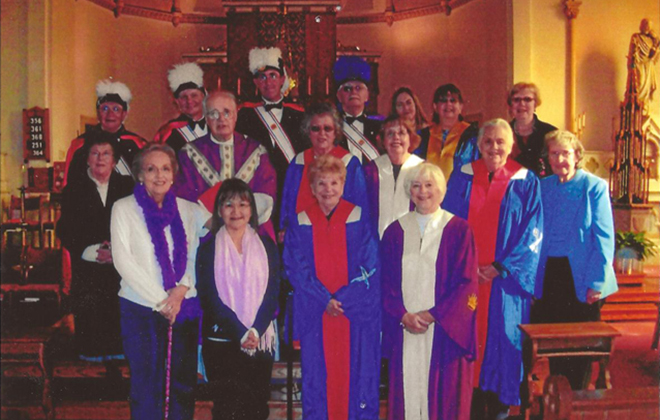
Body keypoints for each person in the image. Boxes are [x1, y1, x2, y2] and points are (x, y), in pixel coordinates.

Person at [442, 118, 543, 419]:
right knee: (467, 342)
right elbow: (447, 224)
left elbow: (533, 232)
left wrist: (501, 267)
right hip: (467, 279)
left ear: (511, 146)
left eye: (501, 141)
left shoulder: (525, 181)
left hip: (504, 283)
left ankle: (499, 410)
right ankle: (467, 407)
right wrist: (465, 266)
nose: (494, 147)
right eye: (488, 141)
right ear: (479, 145)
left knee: (503, 340)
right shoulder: (462, 177)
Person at [111, 143, 210, 420]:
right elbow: (123, 260)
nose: (159, 175)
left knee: (182, 383)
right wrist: (162, 301)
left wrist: (181, 290)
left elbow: (196, 254)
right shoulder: (124, 208)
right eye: (151, 169)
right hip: (140, 307)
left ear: (173, 173)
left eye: (165, 168)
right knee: (145, 383)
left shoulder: (189, 210)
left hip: (183, 308)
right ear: (139, 174)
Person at [283, 154, 380, 420]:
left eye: (334, 183)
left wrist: (342, 300)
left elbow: (370, 264)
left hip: (351, 314)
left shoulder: (359, 217)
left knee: (355, 375)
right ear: (312, 189)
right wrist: (324, 299)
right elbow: (295, 267)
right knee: (317, 377)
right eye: (321, 184)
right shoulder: (301, 221)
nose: (328, 190)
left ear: (343, 185)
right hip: (317, 313)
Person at [381, 162, 478, 420]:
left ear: (441, 190)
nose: (422, 191)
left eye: (429, 185)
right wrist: (402, 315)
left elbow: (467, 283)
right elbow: (385, 283)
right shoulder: (395, 231)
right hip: (405, 329)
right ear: (408, 191)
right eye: (416, 185)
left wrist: (434, 315)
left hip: (444, 331)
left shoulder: (459, 230)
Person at [532, 130, 618, 389]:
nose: (560, 159)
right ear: (547, 157)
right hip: (551, 275)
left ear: (578, 156)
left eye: (565, 153)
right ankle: (560, 397)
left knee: (580, 344)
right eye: (554, 153)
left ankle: (578, 399)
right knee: (556, 341)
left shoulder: (594, 186)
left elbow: (604, 238)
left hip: (582, 275)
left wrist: (597, 282)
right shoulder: (542, 186)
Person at [196, 179, 281, 420]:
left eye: (243, 204)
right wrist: (241, 332)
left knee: (256, 407)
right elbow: (209, 297)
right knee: (226, 408)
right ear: (219, 210)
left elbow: (272, 294)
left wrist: (254, 330)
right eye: (229, 204)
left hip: (259, 338)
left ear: (252, 210)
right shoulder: (208, 248)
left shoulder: (267, 247)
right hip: (221, 340)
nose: (236, 212)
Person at [57, 133, 134, 370]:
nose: (100, 158)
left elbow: (136, 225)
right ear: (87, 159)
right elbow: (65, 228)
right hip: (88, 270)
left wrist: (117, 252)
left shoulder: (128, 186)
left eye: (106, 153)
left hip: (120, 270)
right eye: (95, 153)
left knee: (120, 330)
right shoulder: (74, 189)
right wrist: (91, 251)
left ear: (114, 159)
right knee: (92, 334)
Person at [173, 91, 277, 233]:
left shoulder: (257, 151)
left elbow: (266, 192)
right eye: (213, 114)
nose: (221, 119)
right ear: (207, 119)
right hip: (208, 232)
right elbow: (185, 198)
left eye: (227, 112)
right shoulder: (189, 153)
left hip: (250, 231)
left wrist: (239, 224)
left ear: (235, 116)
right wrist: (214, 225)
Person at [236, 46, 308, 226]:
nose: (268, 82)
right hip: (260, 188)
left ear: (283, 79)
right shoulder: (244, 116)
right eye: (262, 77)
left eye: (273, 76)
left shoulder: (301, 115)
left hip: (294, 188)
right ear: (256, 82)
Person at [279, 102, 368, 238]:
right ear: (308, 131)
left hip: (338, 236)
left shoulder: (349, 163)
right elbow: (287, 203)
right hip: (302, 235)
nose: (322, 134)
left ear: (335, 132)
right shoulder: (298, 162)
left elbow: (359, 206)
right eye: (316, 128)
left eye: (327, 128)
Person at [64, 79, 146, 185]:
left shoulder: (138, 146)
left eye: (116, 109)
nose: (110, 114)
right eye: (105, 108)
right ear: (98, 113)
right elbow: (68, 186)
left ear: (124, 114)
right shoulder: (80, 145)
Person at [364, 115, 424, 238]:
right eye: (390, 134)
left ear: (410, 138)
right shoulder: (371, 170)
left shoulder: (422, 170)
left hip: (413, 243)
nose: (396, 137)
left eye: (401, 133)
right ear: (383, 140)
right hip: (377, 244)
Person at [413, 84, 480, 180]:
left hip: (461, 193)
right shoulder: (423, 136)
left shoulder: (473, 136)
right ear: (435, 107)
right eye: (443, 100)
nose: (448, 104)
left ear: (461, 106)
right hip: (428, 192)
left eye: (453, 100)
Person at [333, 56, 382, 163]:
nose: (353, 92)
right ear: (339, 96)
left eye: (358, 88)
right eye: (347, 89)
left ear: (367, 95)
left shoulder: (380, 127)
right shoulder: (331, 127)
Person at [154, 62, 208, 152]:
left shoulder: (216, 125)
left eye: (194, 95)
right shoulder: (168, 132)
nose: (189, 101)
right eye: (184, 97)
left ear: (204, 96)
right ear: (177, 102)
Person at [507, 82, 557, 177]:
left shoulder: (551, 133)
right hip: (512, 189)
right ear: (511, 105)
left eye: (527, 99)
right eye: (516, 100)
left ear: (535, 104)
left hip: (543, 188)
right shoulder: (502, 133)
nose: (521, 104)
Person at [628, 18, 659, 114]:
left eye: (649, 25)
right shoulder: (636, 37)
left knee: (648, 87)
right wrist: (633, 63)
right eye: (645, 24)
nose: (647, 27)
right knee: (640, 82)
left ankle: (644, 106)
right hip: (638, 64)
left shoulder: (651, 40)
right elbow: (632, 52)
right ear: (642, 25)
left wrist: (656, 41)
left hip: (648, 66)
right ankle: (638, 105)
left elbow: (653, 56)